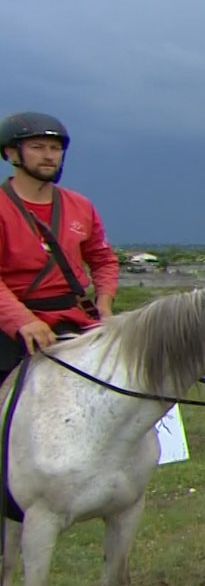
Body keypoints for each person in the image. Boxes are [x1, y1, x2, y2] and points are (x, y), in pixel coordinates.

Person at [0, 112, 119, 384]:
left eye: (55, 149)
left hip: (73, 320)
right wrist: (22, 320)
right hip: (10, 327)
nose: (49, 155)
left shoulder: (80, 206)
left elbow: (103, 260)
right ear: (11, 153)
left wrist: (104, 303)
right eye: (37, 147)